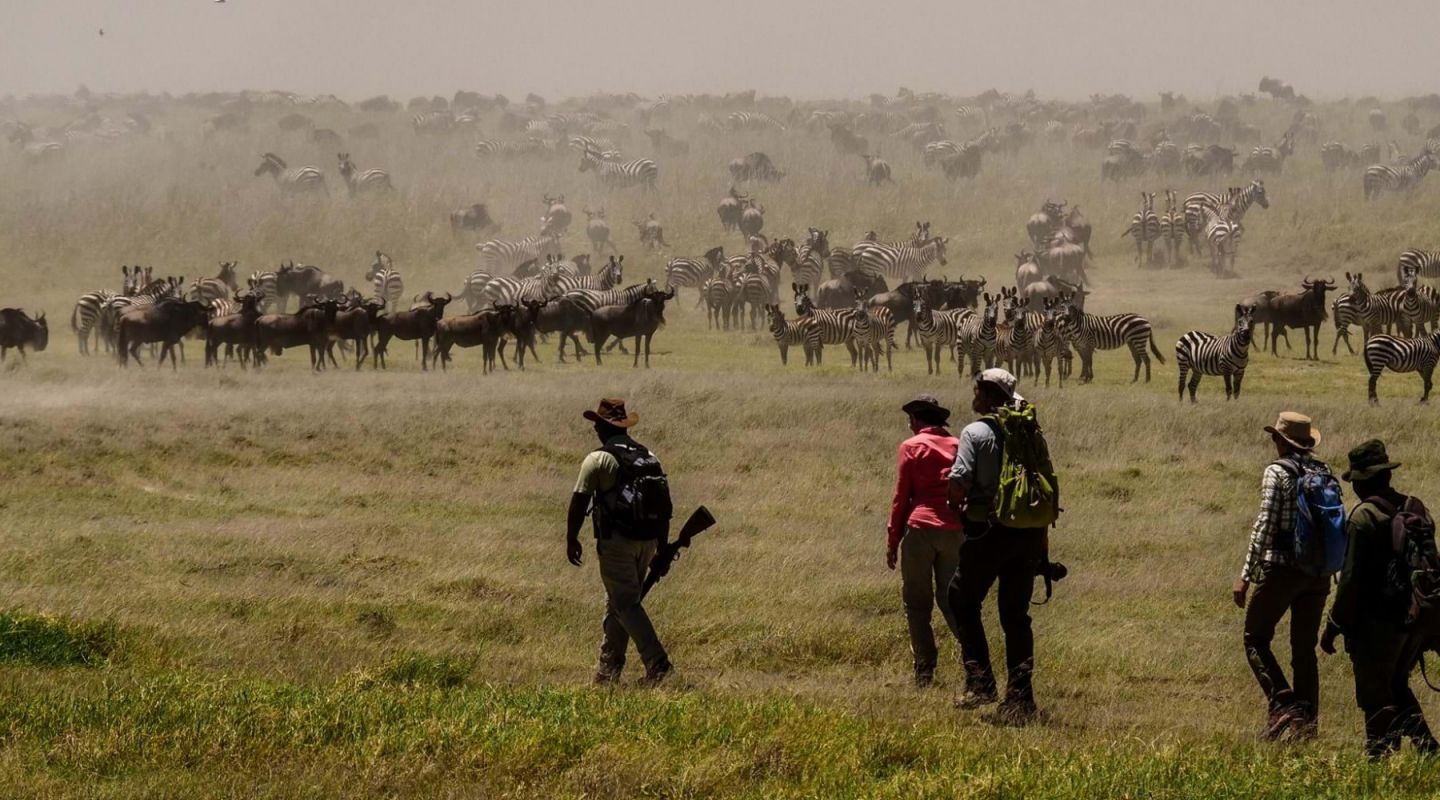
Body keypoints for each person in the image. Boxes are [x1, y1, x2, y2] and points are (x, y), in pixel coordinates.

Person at [946, 368, 1055, 723]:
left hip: (987, 532)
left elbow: (959, 481)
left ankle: (981, 684)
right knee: (1015, 616)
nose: (973, 396)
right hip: (1028, 535)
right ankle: (1021, 698)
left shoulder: (975, 432)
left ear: (989, 395)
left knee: (962, 599)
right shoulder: (1028, 430)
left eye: (977, 390)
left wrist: (954, 501)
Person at [1322, 440, 1439, 758]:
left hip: (1379, 621)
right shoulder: (1416, 507)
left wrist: (1334, 625)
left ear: (1364, 480)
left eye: (1355, 480)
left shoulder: (1364, 518)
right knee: (1397, 685)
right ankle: (1428, 750)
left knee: (1375, 695)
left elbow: (1350, 582)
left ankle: (1378, 760)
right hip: (1417, 618)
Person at [1234, 411, 1331, 740]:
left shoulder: (1276, 472)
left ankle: (1282, 702)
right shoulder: (1322, 470)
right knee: (1303, 649)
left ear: (1279, 440)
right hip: (1318, 574)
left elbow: (1265, 524)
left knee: (1255, 638)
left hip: (1282, 569)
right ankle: (1308, 726)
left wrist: (1246, 575)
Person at [566, 398, 673, 686]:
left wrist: (571, 538)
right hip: (647, 541)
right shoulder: (648, 455)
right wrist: (661, 548)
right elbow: (664, 507)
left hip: (617, 542)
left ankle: (658, 664)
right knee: (618, 604)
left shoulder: (598, 458)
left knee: (625, 603)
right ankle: (607, 671)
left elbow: (579, 501)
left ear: (602, 427)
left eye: (597, 425)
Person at [887, 393, 965, 687]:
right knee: (953, 601)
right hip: (955, 530)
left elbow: (900, 497)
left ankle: (924, 668)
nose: (909, 426)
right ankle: (975, 663)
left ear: (917, 420)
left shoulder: (911, 446)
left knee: (917, 604)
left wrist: (893, 540)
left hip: (919, 529)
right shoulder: (958, 444)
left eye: (911, 420)